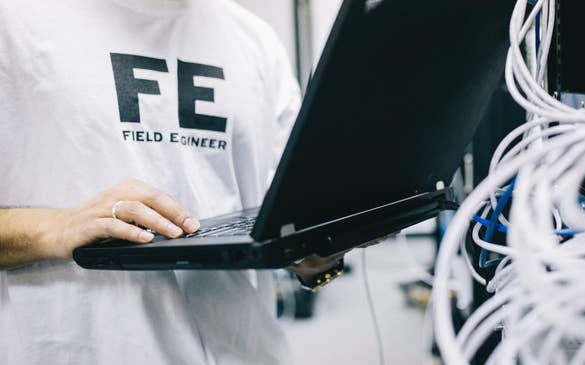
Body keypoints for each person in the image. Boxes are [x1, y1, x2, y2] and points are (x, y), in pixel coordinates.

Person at [0, 0, 349, 363]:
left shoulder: (255, 39)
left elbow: (286, 225)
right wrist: (55, 227)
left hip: (245, 350)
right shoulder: (14, 19)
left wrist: (319, 252)